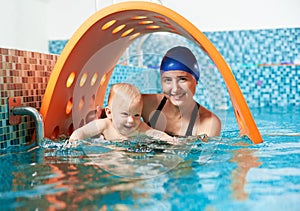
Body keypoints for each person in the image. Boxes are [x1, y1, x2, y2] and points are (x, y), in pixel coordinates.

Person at [142, 46, 221, 137]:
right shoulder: (148, 104)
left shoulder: (208, 122)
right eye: (168, 80)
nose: (175, 89)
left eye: (182, 79)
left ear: (196, 80)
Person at [68, 83, 177, 144]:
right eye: (125, 114)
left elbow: (156, 134)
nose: (131, 120)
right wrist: (73, 144)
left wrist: (172, 141)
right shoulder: (104, 125)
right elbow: (79, 133)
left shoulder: (140, 127)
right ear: (109, 113)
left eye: (137, 115)